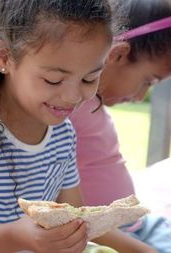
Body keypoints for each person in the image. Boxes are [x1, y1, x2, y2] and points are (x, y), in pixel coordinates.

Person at [0, 0, 157, 252]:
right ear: (5, 57)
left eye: (89, 78)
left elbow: (77, 218)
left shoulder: (62, 133)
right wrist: (15, 236)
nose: (73, 96)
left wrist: (143, 250)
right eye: (54, 80)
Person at [69, 0, 171, 251]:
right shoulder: (72, 107)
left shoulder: (91, 106)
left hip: (138, 226)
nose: (140, 97)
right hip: (110, 236)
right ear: (118, 55)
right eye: (147, 81)